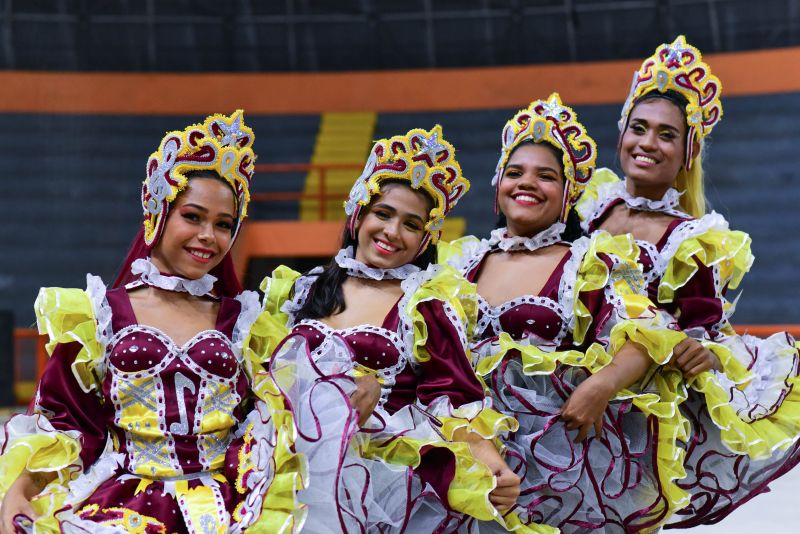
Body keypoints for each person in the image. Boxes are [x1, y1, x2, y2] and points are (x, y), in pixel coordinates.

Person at [0, 111, 303, 533]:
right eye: (192, 216)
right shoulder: (99, 314)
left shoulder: (247, 323)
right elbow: (65, 421)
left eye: (223, 224)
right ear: (158, 213)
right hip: (121, 509)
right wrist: (20, 489)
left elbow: (274, 421)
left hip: (230, 512)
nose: (208, 236)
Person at [257, 126, 549, 533]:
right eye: (383, 213)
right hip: (291, 476)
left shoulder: (424, 305)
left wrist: (490, 460)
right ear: (359, 211)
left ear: (426, 237)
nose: (392, 233)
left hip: (385, 490)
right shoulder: (298, 290)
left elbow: (452, 398)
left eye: (411, 224)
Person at [576, 36, 800, 527]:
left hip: (635, 407)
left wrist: (698, 350)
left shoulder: (692, 240)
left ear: (687, 153)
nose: (647, 143)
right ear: (620, 135)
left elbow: (704, 333)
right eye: (639, 128)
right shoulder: (588, 207)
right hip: (566, 384)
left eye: (666, 134)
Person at [441, 94, 691, 532]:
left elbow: (650, 332)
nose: (527, 184)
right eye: (515, 173)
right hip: (470, 450)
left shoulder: (597, 260)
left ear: (568, 192)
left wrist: (602, 384)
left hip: (558, 466)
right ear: (498, 185)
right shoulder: (461, 264)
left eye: (546, 176)